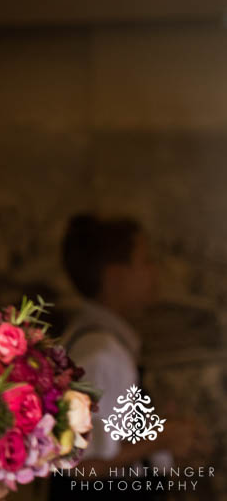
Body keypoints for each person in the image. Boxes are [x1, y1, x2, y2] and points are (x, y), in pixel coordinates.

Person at [50, 213, 200, 499]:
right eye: (145, 261)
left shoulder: (94, 341)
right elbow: (82, 466)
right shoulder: (101, 354)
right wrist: (161, 439)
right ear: (116, 276)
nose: (155, 271)